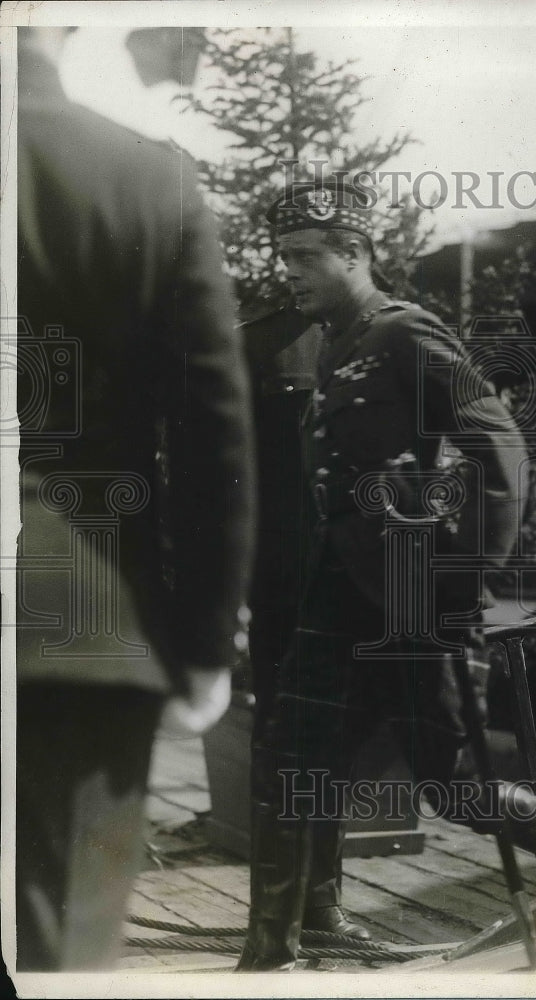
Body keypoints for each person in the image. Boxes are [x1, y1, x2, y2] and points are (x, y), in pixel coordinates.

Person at [235, 179, 536, 972]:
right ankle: (269, 956)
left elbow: (499, 448)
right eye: (282, 255)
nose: (287, 270)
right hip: (340, 592)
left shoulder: (403, 333)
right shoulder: (336, 341)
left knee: (453, 782)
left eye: (304, 257)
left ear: (354, 254)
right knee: (290, 765)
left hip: (410, 593)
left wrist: (458, 579)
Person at [14, 27, 255, 969]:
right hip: (81, 628)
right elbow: (209, 422)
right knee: (63, 947)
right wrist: (201, 644)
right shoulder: (146, 175)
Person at [242, 300, 370, 939]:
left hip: (360, 578)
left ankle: (321, 900)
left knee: (340, 741)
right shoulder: (258, 342)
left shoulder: (386, 333)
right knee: (282, 739)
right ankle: (279, 909)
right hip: (283, 586)